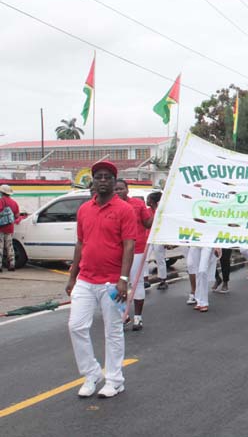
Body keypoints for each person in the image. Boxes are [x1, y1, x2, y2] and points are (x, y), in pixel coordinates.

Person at [66, 161, 137, 398]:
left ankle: (115, 380)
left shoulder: (124, 210)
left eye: (108, 177)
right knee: (76, 326)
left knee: (113, 331)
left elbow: (129, 245)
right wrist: (72, 277)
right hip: (85, 279)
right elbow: (79, 243)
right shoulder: (84, 209)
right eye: (99, 177)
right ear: (93, 181)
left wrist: (124, 279)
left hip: (112, 282)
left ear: (114, 181)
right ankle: (92, 373)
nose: (103, 180)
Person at [114, 179, 153, 331]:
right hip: (117, 251)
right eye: (116, 189)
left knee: (136, 284)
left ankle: (138, 318)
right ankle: (123, 315)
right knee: (117, 286)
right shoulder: (110, 207)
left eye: (121, 189)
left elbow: (148, 223)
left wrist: (158, 213)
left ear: (127, 190)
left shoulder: (137, 204)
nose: (118, 192)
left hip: (137, 250)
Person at [146, 192, 168, 290]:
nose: (147, 201)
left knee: (160, 259)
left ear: (153, 201)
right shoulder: (147, 211)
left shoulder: (162, 212)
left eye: (148, 199)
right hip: (148, 238)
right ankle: (145, 279)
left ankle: (163, 280)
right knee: (144, 259)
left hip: (158, 238)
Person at [0, 184, 20, 272]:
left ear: (2, 192)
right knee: (10, 246)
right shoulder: (14, 203)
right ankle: (12, 265)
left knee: (0, 247)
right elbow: (17, 216)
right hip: (10, 228)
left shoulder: (1, 201)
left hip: (1, 228)